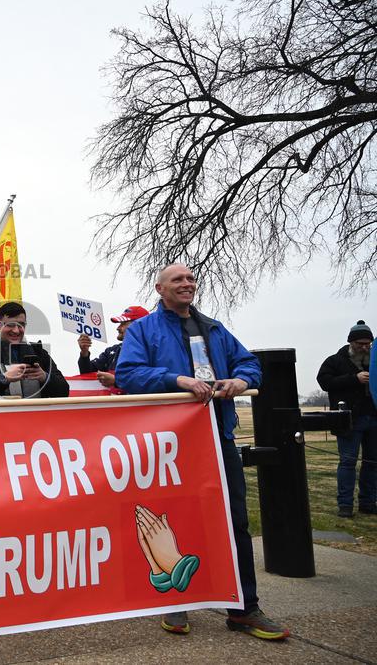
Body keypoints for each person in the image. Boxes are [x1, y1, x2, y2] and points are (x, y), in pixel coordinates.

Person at [116, 263, 288, 640]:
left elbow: (249, 363)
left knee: (233, 520)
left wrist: (240, 380)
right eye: (178, 279)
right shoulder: (144, 330)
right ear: (160, 288)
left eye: (191, 279)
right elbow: (128, 374)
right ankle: (175, 603)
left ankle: (244, 608)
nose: (187, 284)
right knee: (173, 519)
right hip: (168, 445)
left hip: (218, 439)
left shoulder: (214, 327)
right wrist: (176, 380)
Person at [317, 320, 376, 518]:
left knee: (372, 462)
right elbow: (325, 382)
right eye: (360, 343)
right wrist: (354, 379)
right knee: (348, 462)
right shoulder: (335, 361)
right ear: (351, 342)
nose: (364, 347)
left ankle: (368, 503)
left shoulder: (374, 360)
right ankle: (345, 505)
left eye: (368, 343)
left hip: (373, 418)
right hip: (349, 420)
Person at [0, 302, 69, 398]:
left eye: (21, 325)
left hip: (37, 413)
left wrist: (45, 377)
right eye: (10, 325)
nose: (16, 330)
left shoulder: (39, 352)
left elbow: (64, 391)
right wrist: (3, 378)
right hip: (2, 414)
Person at [78, 305, 150, 388]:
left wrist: (117, 381)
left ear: (139, 325)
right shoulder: (112, 351)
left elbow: (153, 381)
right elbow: (87, 374)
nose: (118, 328)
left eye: (123, 323)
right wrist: (84, 353)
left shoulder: (154, 350)